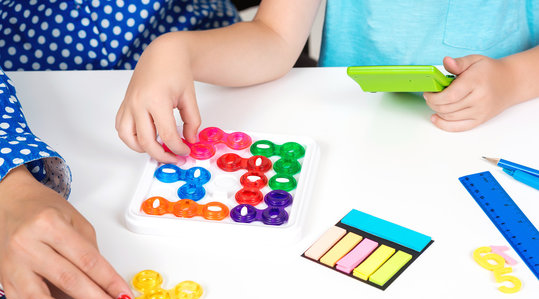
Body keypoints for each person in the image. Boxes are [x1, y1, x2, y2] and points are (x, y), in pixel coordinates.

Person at [0, 0, 240, 299]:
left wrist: (177, 49)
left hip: (208, 74)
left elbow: (275, 38)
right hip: (30, 95)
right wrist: (9, 178)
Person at [116, 0, 539, 164]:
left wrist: (513, 78)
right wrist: (176, 50)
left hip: (494, 139)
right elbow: (276, 38)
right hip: (350, 138)